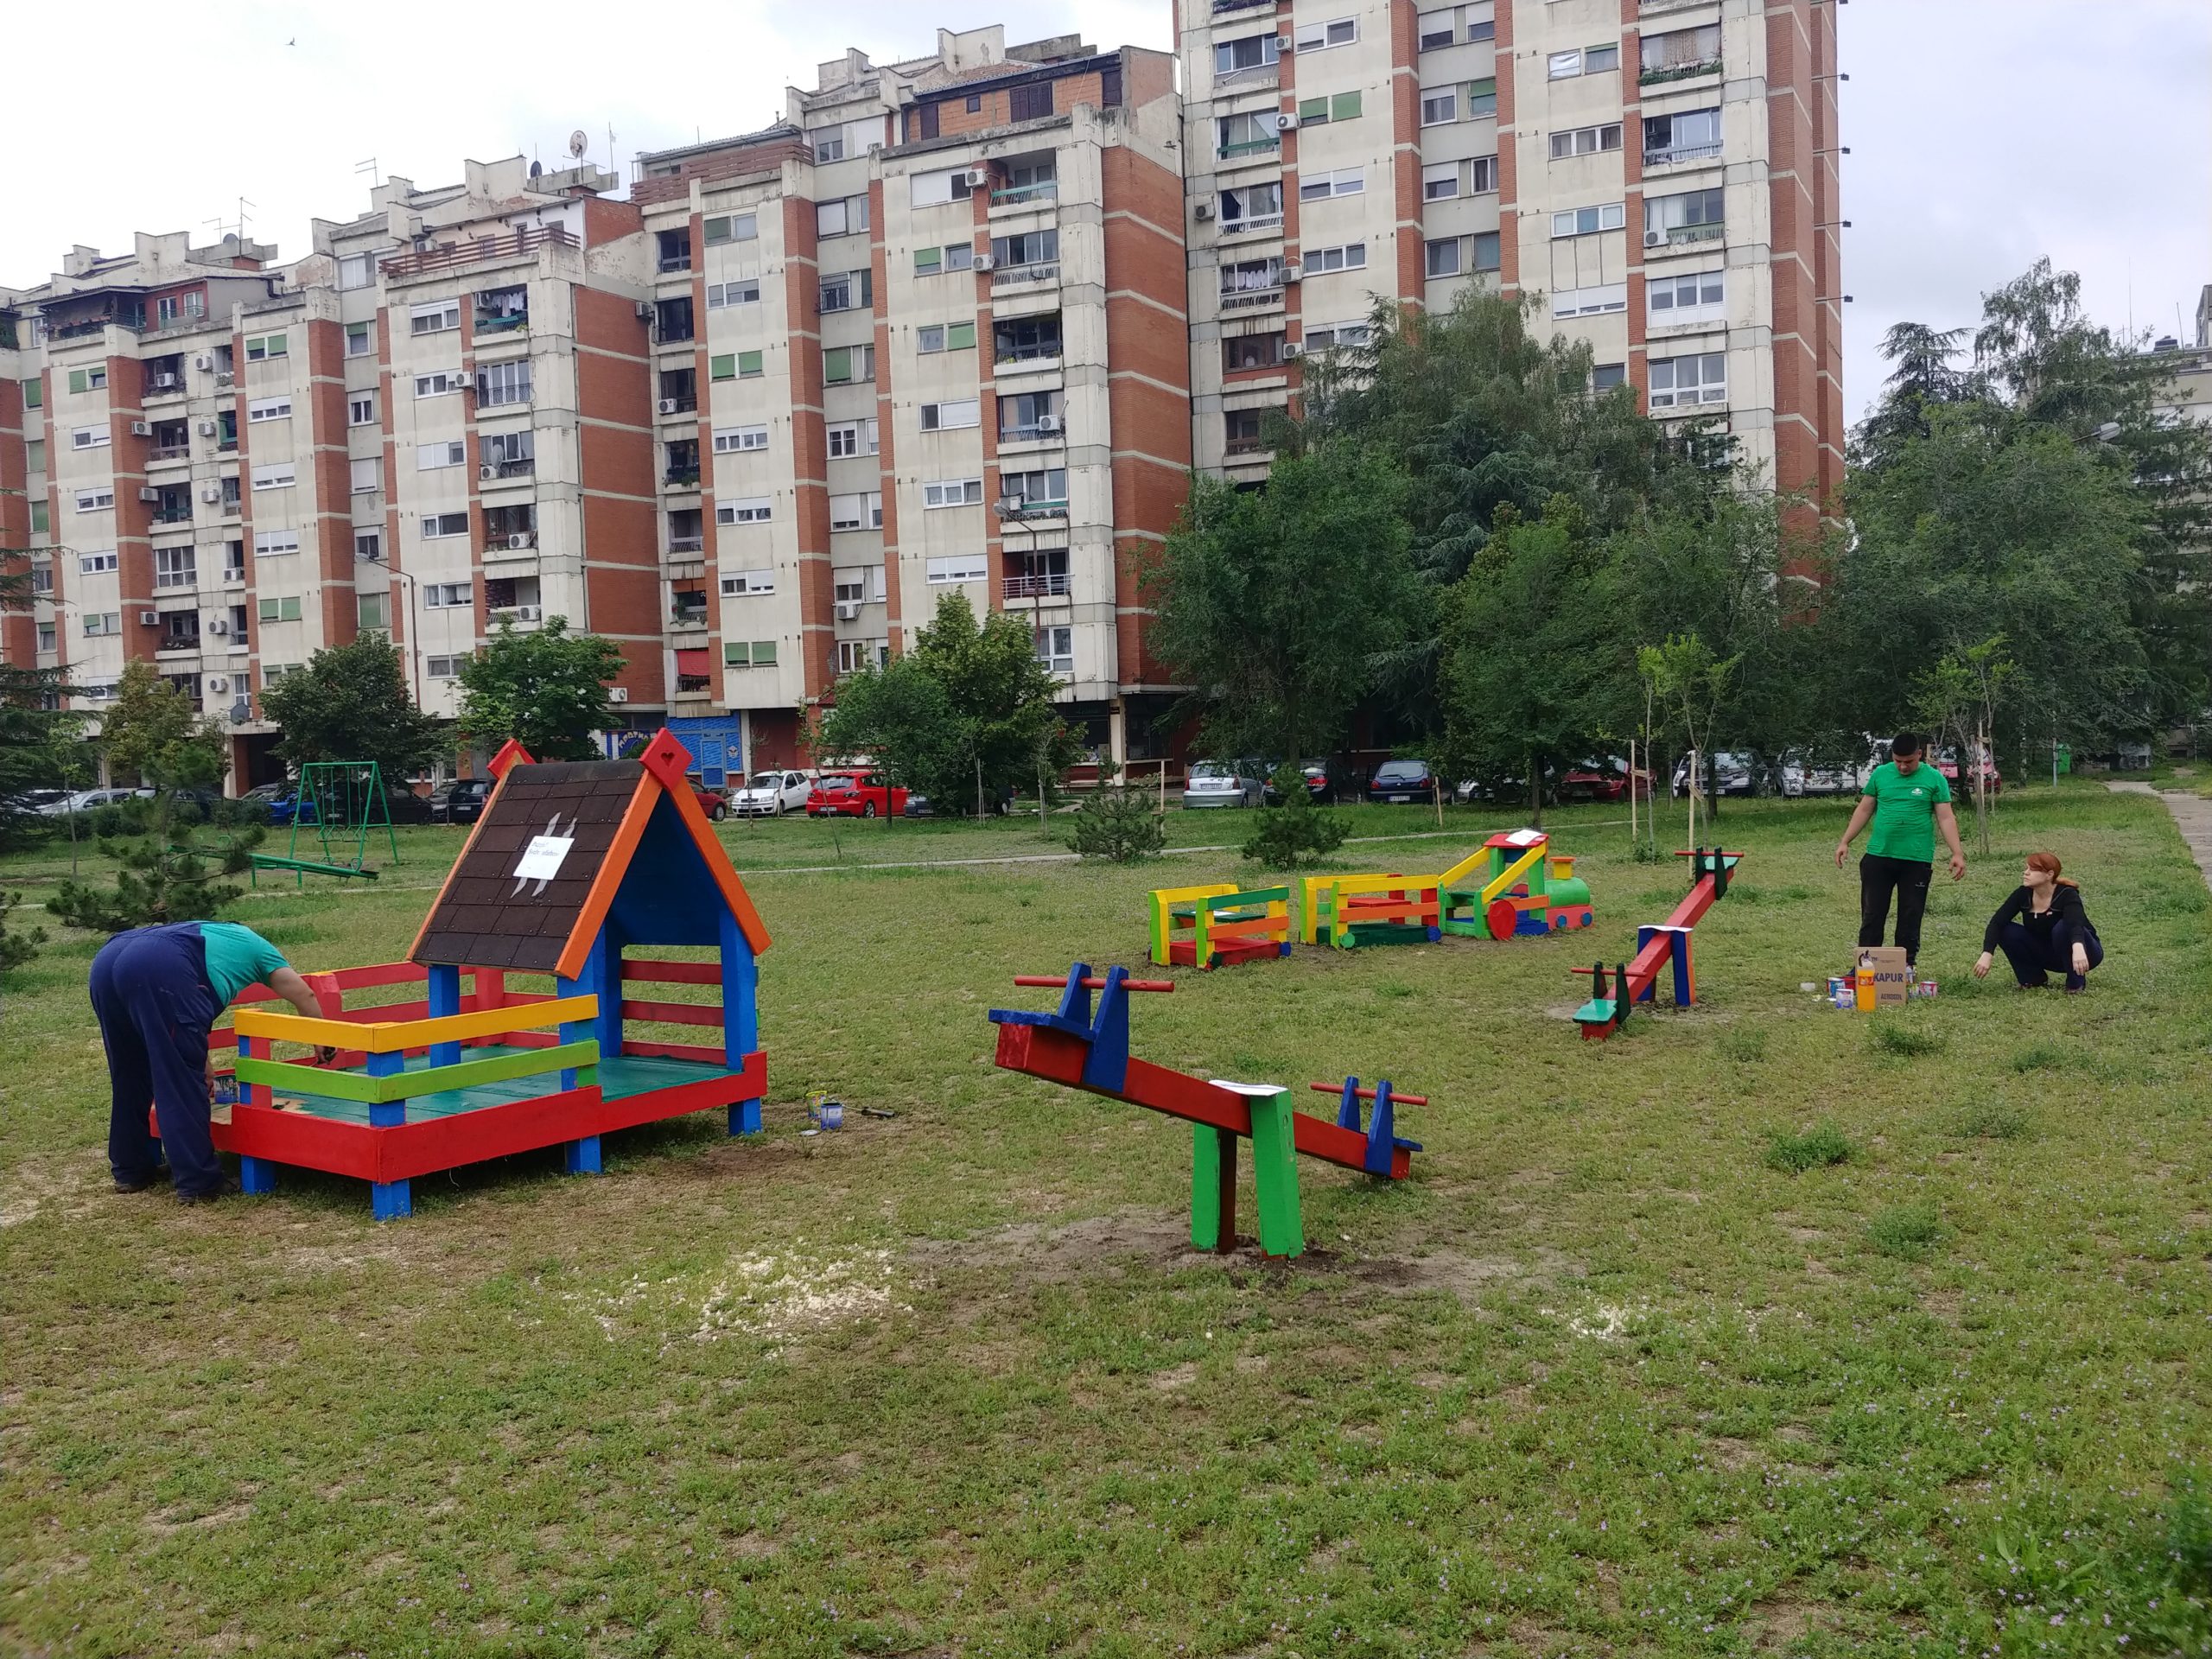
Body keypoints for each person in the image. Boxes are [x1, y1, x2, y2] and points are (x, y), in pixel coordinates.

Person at [91, 921, 331, 1205]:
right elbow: (305, 994)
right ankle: (199, 1183)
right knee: (179, 1081)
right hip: (157, 964)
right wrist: (322, 1038)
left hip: (109, 958)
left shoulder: (205, 935)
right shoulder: (257, 946)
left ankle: (131, 1170)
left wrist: (203, 1063)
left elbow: (186, 1020)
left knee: (130, 1074)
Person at [1834, 731, 1967, 972]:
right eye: (1898, 761)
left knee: (1910, 914)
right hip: (1879, 857)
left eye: (1909, 761)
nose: (1903, 767)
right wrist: (1845, 841)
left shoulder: (1934, 779)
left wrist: (1957, 853)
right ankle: (1865, 965)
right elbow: (1864, 809)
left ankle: (1905, 966)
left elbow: (1946, 817)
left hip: (1916, 859)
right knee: (1872, 914)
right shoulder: (1881, 774)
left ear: (1920, 754)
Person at [1974, 852, 2102, 993]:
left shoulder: (2067, 894)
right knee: (2005, 929)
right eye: (2026, 868)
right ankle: (2032, 979)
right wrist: (1987, 953)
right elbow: (1997, 922)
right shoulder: (2023, 894)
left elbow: (2075, 923)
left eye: (2033, 870)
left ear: (2049, 874)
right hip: (2050, 954)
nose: (2026, 873)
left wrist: (2078, 947)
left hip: (2084, 953)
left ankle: (2075, 984)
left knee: (2062, 927)